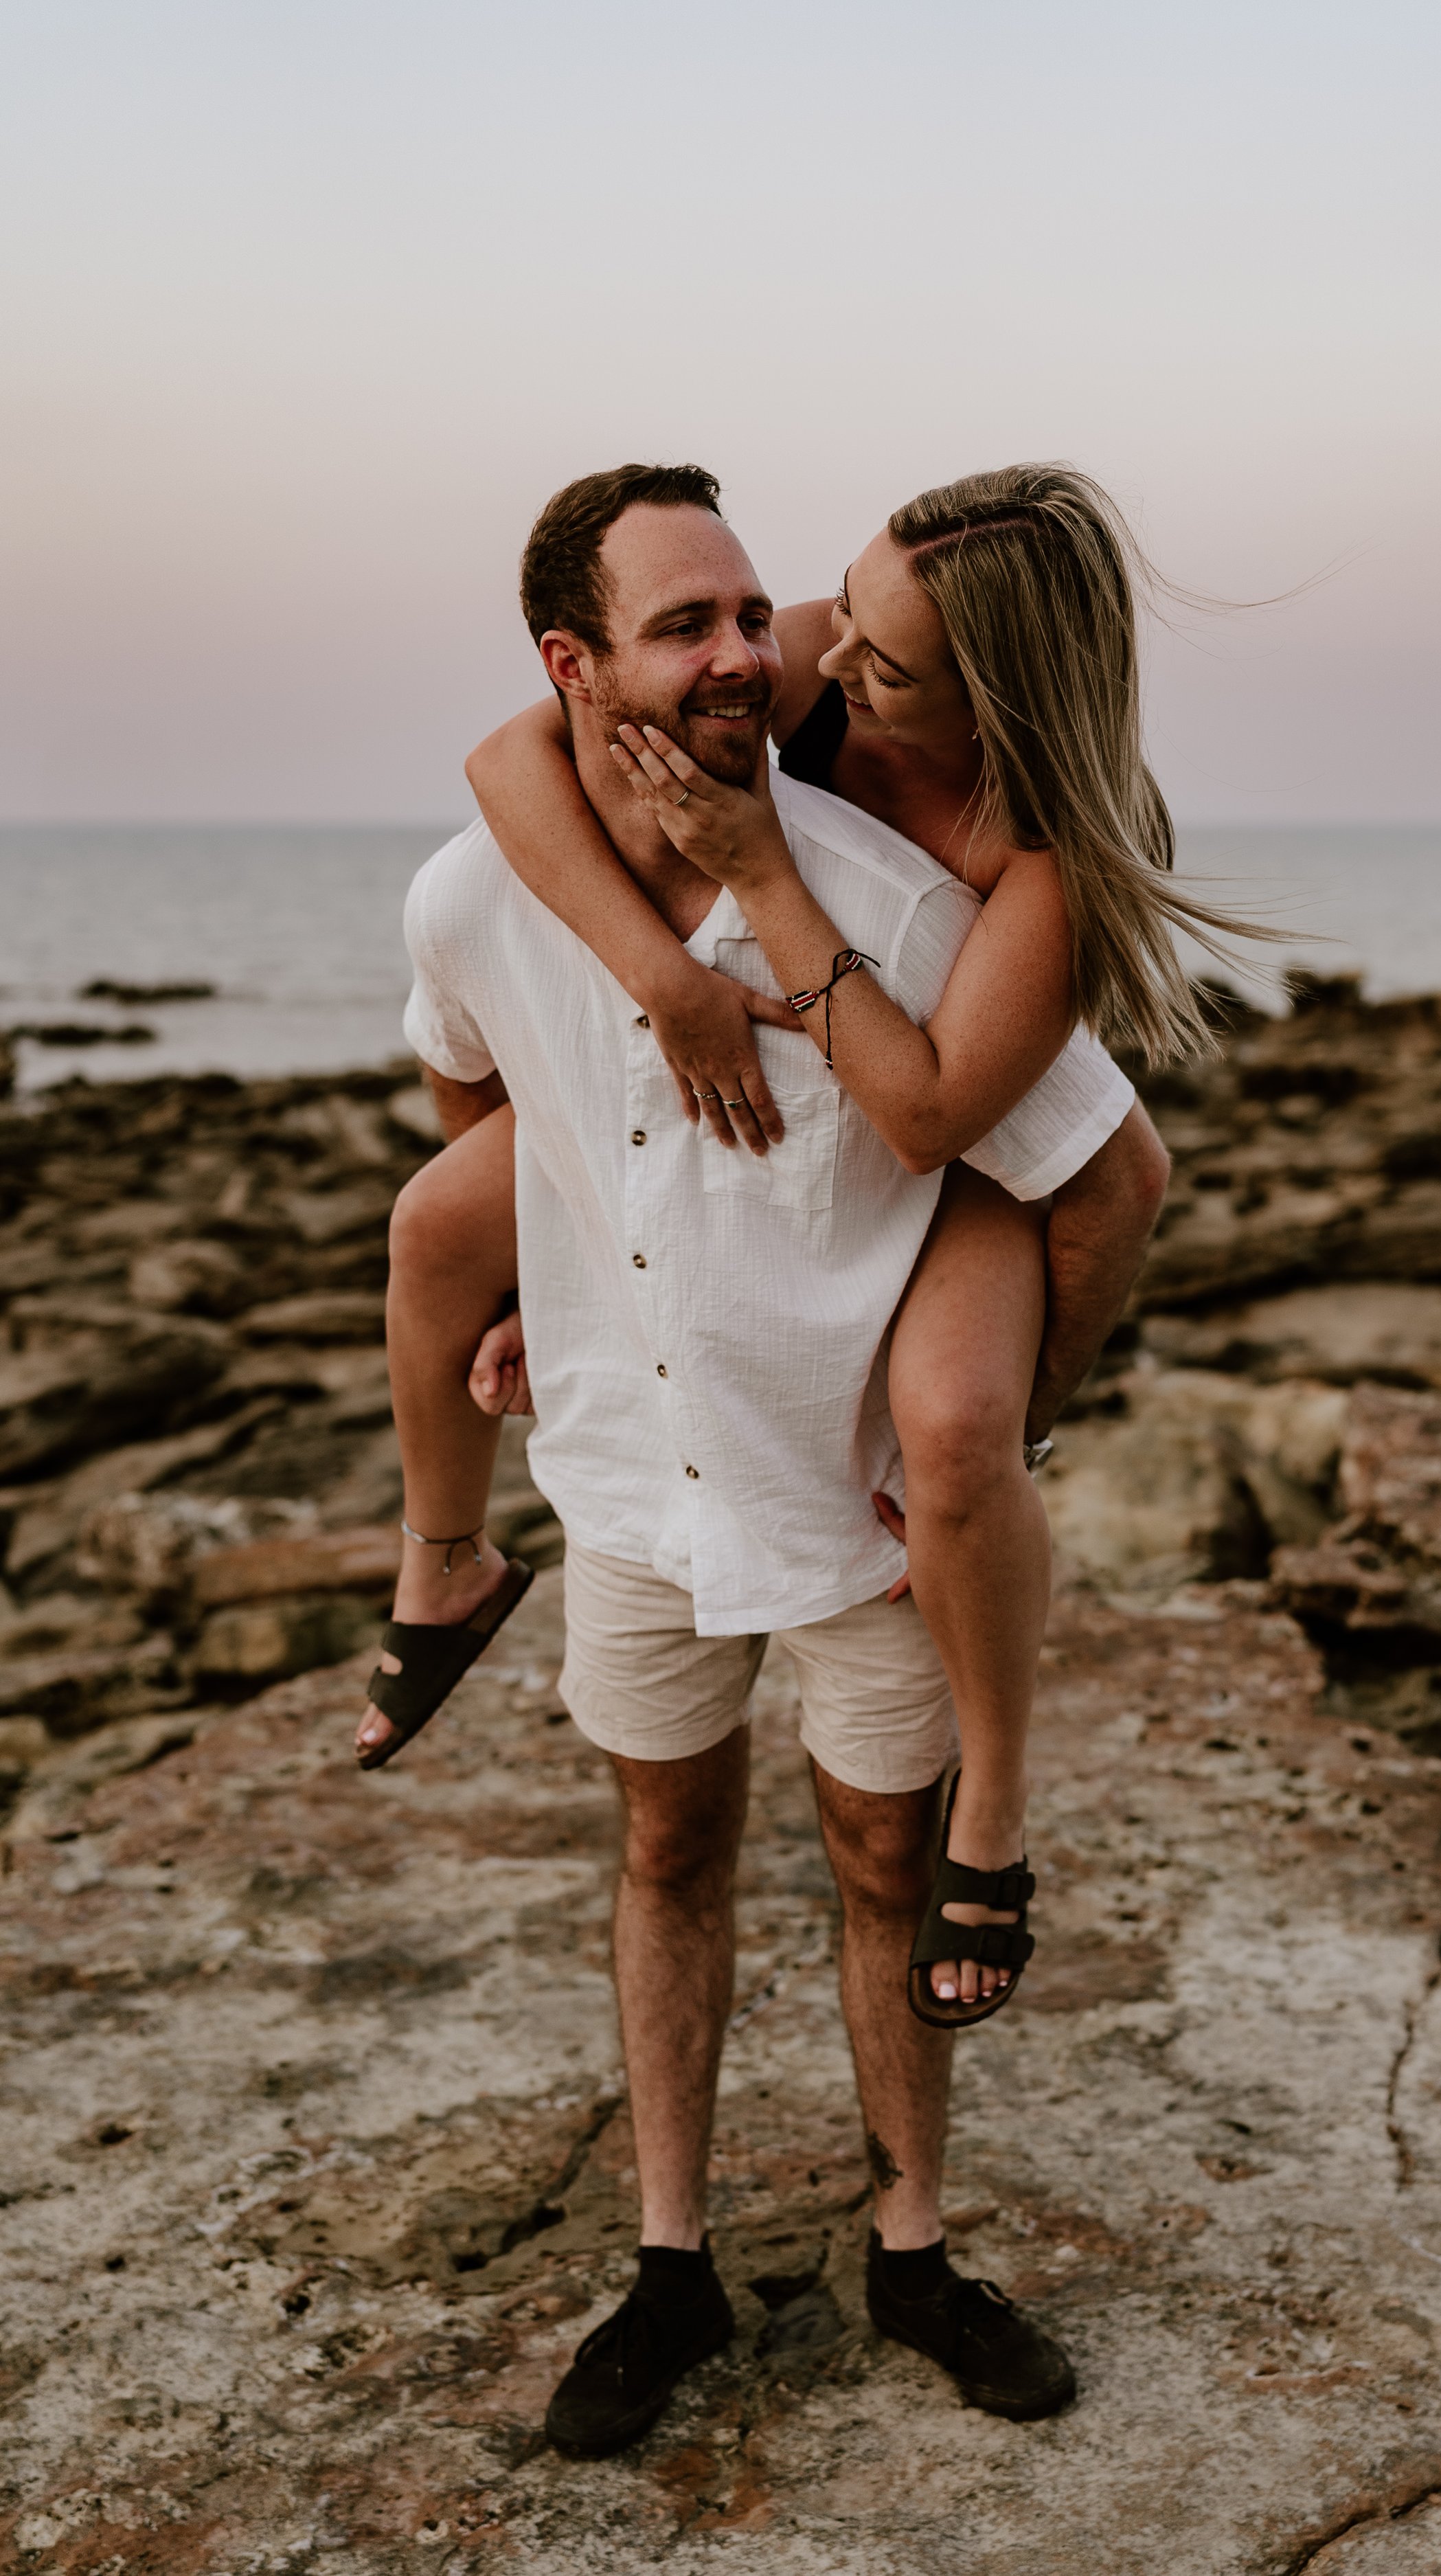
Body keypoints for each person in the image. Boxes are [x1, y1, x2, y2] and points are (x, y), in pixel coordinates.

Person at [385, 463, 1170, 2455]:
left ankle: (914, 2248)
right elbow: (484, 1080)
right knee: (663, 1846)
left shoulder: (937, 898)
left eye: (793, 631)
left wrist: (998, 1432)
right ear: (586, 660)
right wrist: (538, 1280)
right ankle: (669, 2265)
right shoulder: (484, 880)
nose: (769, 654)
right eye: (706, 622)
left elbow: (1084, 1167)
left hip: (847, 1489)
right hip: (639, 1479)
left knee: (884, 1852)